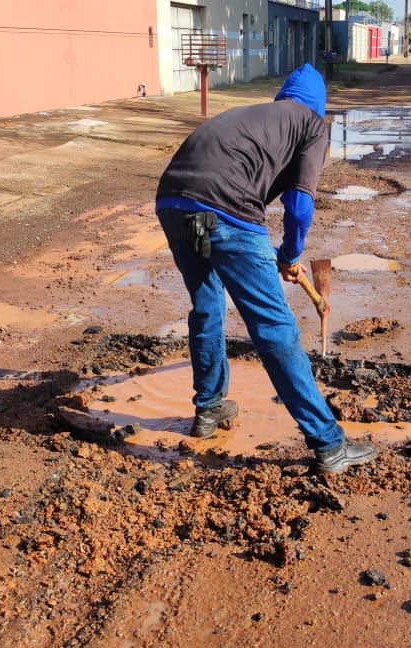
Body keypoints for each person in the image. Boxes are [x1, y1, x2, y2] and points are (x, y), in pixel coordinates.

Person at [155, 64, 377, 475]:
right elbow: (299, 207)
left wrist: (281, 255)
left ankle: (209, 407)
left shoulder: (259, 118)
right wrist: (292, 254)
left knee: (207, 305)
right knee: (276, 328)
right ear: (319, 106)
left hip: (171, 202)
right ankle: (330, 445)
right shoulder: (311, 124)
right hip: (226, 208)